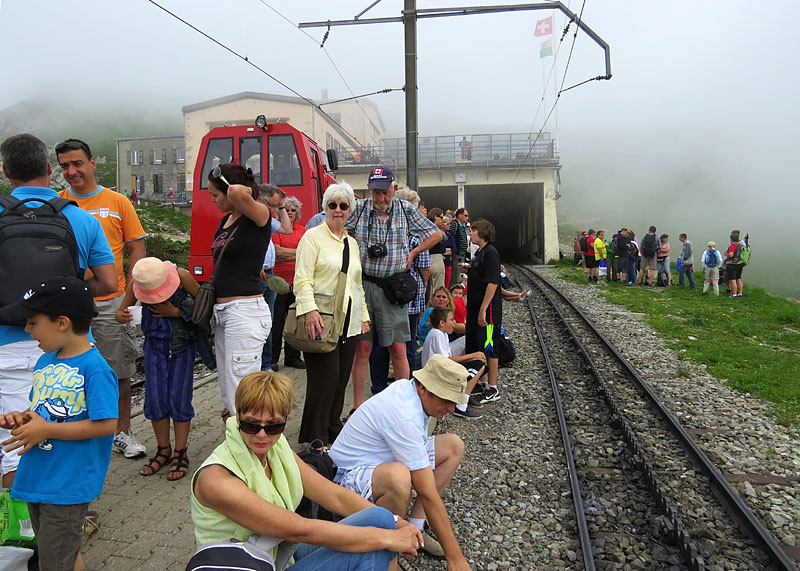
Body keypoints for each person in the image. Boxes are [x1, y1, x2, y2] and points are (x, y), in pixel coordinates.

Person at [191, 371, 422, 570]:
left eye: (273, 426)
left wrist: (398, 522)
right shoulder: (216, 479)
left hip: (277, 553)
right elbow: (299, 530)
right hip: (248, 565)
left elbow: (334, 495)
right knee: (373, 548)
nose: (262, 435)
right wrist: (387, 539)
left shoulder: (276, 447)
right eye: (251, 424)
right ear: (237, 417)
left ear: (285, 422)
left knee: (381, 517)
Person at [0, 134, 116, 488]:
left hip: (6, 344)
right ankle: (61, 515)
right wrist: (65, 296)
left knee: (13, 440)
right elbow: (109, 282)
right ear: (51, 169)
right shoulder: (80, 219)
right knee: (59, 431)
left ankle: (20, 527)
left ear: (6, 172)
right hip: (70, 347)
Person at [0, 276, 118, 571]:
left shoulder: (95, 368)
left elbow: (106, 424)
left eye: (32, 322)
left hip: (66, 484)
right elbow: (43, 410)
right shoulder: (46, 361)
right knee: (58, 554)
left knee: (54, 561)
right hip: (36, 477)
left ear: (62, 322)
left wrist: (47, 429)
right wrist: (24, 418)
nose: (27, 330)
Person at [329, 354, 472, 569]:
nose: (451, 408)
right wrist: (456, 559)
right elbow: (427, 492)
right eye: (446, 399)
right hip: (344, 478)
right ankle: (388, 560)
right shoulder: (404, 414)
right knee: (398, 478)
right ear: (423, 388)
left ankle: (415, 531)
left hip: (374, 462)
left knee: (453, 446)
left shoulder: (412, 390)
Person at [56, 138, 149, 460]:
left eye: (77, 163)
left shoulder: (117, 201)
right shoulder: (56, 204)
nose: (71, 171)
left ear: (93, 163)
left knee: (119, 371)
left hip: (112, 302)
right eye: (65, 165)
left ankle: (123, 432)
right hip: (70, 305)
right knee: (70, 371)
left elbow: (137, 247)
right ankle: (79, 433)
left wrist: (130, 299)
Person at [345, 167, 440, 410]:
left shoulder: (406, 210)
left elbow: (436, 233)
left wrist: (414, 251)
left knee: (398, 348)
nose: (381, 199)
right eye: (376, 193)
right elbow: (334, 224)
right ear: (369, 190)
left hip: (392, 289)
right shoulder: (360, 208)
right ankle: (358, 406)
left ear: (394, 189)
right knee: (363, 348)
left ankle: (403, 405)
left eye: (385, 192)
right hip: (364, 286)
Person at [294, 182, 370, 446]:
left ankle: (331, 426)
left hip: (348, 321)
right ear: (325, 207)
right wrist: (310, 310)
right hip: (321, 319)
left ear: (350, 210)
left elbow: (356, 283)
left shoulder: (352, 242)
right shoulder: (312, 237)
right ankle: (316, 436)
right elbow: (302, 279)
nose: (338, 210)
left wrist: (364, 316)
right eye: (332, 205)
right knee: (324, 379)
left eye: (343, 206)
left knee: (340, 379)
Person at [115, 257, 201, 480]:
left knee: (179, 399)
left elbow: (203, 305)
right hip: (154, 346)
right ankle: (164, 450)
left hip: (181, 346)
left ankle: (180, 452)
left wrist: (176, 313)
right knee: (156, 399)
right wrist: (122, 315)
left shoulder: (181, 275)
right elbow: (120, 311)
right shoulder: (139, 280)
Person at [207, 164, 273, 415]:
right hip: (224, 312)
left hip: (244, 312)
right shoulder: (226, 221)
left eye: (216, 194)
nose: (213, 200)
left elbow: (235, 191)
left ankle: (255, 448)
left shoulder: (259, 215)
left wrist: (235, 184)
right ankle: (239, 446)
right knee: (229, 389)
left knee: (242, 390)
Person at [465, 219, 504, 404]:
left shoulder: (491, 253)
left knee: (489, 347)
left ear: (483, 233)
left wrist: (483, 309)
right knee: (476, 346)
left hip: (486, 313)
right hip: (473, 311)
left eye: (473, 230)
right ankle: (481, 382)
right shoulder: (479, 253)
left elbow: (493, 282)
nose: (471, 233)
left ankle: (493, 387)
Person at [421, 307, 486, 420]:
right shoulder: (437, 334)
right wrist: (472, 356)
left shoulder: (443, 334)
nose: (454, 322)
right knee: (478, 366)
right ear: (442, 323)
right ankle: (461, 405)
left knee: (480, 364)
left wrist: (471, 358)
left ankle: (464, 394)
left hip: (441, 368)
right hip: (435, 373)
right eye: (452, 320)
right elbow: (446, 360)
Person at [257, 184, 294, 373]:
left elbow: (287, 229)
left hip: (269, 273)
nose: (272, 210)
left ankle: (266, 362)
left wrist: (281, 207)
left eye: (274, 206)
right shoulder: (253, 217)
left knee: (268, 321)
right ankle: (261, 363)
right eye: (271, 205)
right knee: (260, 321)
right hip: (258, 274)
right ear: (259, 200)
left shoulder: (267, 217)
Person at [270, 195, 306, 371]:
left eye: (293, 210)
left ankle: (293, 357)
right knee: (276, 322)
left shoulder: (303, 230)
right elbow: (276, 252)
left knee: (295, 321)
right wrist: (299, 252)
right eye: (288, 210)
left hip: (297, 283)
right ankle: (272, 358)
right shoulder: (276, 230)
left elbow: (309, 253)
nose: (290, 213)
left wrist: (289, 253)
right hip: (278, 283)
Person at [426, 208, 447, 298]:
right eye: (441, 217)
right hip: (436, 259)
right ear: (435, 217)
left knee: (428, 289)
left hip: (427, 259)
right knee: (438, 289)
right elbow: (444, 237)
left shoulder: (425, 228)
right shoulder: (436, 230)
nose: (442, 220)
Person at [448, 208, 469, 287]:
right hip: (456, 254)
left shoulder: (462, 226)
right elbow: (450, 237)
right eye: (466, 215)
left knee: (460, 275)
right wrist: (452, 251)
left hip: (461, 254)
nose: (467, 218)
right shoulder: (454, 224)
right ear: (460, 215)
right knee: (455, 276)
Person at [440, 214, 456, 288]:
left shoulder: (449, 235)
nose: (449, 225)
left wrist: (445, 251)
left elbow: (454, 249)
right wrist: (445, 250)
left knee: (446, 285)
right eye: (448, 224)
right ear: (442, 225)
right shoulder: (438, 235)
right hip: (440, 263)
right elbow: (439, 249)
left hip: (447, 263)